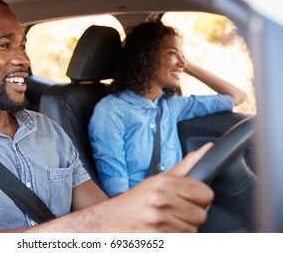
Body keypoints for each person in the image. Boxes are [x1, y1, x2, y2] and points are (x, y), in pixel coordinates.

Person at [0, 0, 214, 233]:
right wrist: (111, 217)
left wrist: (151, 205)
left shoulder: (48, 129)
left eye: (23, 44)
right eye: (4, 45)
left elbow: (102, 213)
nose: (23, 59)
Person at [89, 18, 247, 197]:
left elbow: (237, 96)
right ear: (146, 56)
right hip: (138, 210)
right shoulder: (111, 111)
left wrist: (185, 65)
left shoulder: (172, 105)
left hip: (176, 199)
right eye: (172, 53)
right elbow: (117, 194)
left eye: (183, 55)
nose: (181, 62)